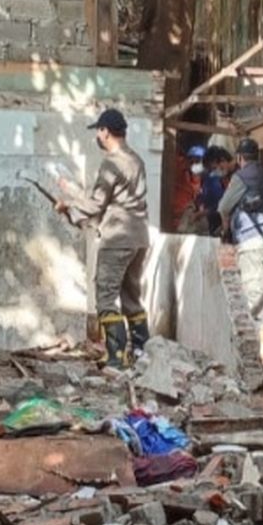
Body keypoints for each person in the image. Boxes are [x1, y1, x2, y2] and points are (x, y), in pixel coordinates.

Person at [55, 108, 150, 369]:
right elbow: (114, 200)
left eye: (99, 130)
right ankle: (142, 353)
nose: (97, 135)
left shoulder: (111, 163)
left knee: (106, 295)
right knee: (132, 296)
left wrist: (69, 210)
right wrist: (74, 195)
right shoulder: (137, 160)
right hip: (140, 237)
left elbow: (97, 204)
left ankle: (115, 357)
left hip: (118, 238)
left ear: (105, 132)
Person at [218, 137, 263, 362]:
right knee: (259, 288)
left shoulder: (241, 177)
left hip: (249, 242)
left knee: (253, 294)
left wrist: (226, 230)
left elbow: (224, 207)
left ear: (239, 158)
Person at [197, 145, 234, 236]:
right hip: (215, 221)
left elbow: (223, 204)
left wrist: (203, 213)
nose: (213, 172)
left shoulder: (236, 179)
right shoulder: (213, 178)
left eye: (214, 168)